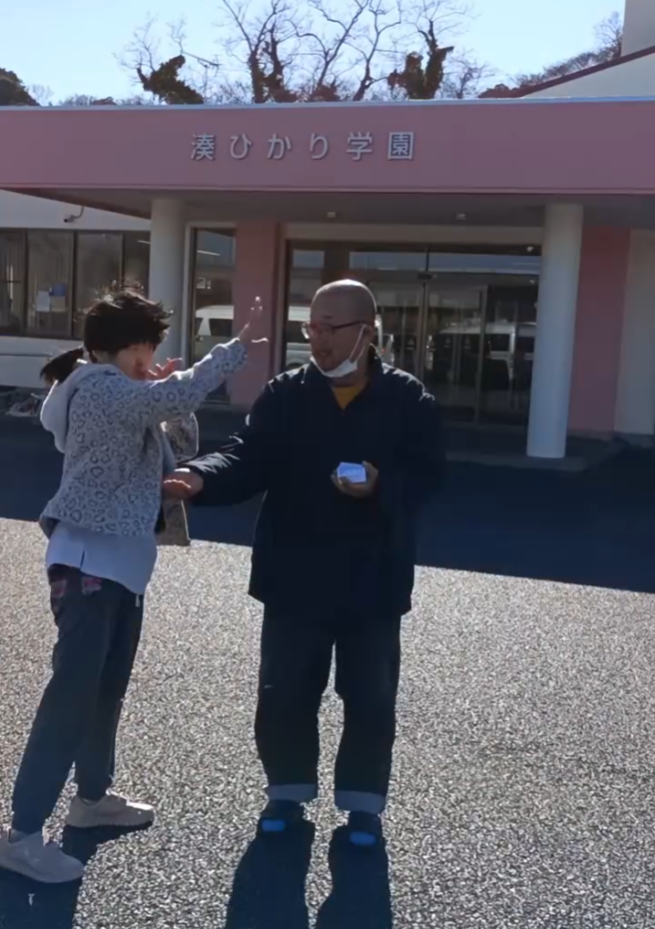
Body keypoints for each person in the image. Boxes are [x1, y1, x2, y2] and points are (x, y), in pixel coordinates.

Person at [164, 280, 444, 848]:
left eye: (330, 327)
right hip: (294, 574)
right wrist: (198, 476)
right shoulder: (287, 392)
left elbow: (430, 476)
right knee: (285, 693)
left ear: (367, 331)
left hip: (373, 579)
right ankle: (286, 794)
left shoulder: (407, 398)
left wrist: (381, 486)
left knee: (370, 699)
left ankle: (363, 808)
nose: (317, 339)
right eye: (311, 326)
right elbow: (247, 455)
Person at [0, 288, 263, 884]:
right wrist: (233, 350)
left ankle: (91, 799)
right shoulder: (97, 387)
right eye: (147, 346)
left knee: (104, 691)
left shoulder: (123, 392)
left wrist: (164, 399)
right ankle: (22, 834)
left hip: (120, 565)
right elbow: (179, 394)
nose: (152, 356)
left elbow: (182, 447)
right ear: (121, 347)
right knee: (72, 696)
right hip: (90, 563)